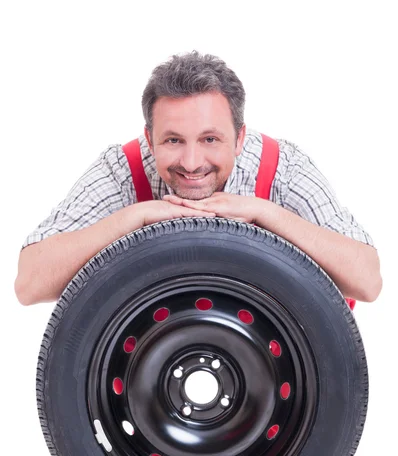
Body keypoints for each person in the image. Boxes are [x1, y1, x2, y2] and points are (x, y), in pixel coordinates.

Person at [15, 50, 382, 306]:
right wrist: (133, 218)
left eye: (210, 139)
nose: (191, 163)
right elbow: (29, 284)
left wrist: (263, 212)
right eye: (173, 140)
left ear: (239, 138)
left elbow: (367, 281)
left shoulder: (282, 167)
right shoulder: (121, 168)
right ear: (149, 139)